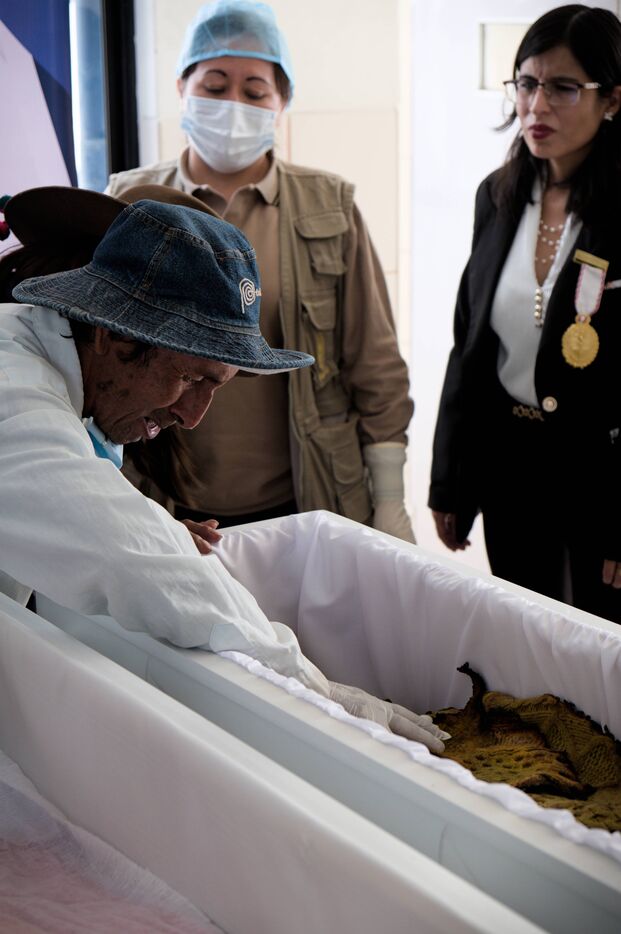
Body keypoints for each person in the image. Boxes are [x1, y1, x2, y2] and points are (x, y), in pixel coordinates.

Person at [0, 192, 447, 752]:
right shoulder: (14, 398)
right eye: (190, 379)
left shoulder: (40, 362)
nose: (192, 417)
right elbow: (133, 561)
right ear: (112, 335)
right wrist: (318, 692)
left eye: (217, 386)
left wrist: (146, 527)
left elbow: (88, 516)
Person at [106, 0, 416, 542]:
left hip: (308, 501)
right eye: (214, 86)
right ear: (182, 88)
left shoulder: (329, 206)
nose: (233, 105)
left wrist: (390, 498)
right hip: (162, 506)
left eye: (254, 93)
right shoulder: (131, 201)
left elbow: (376, 366)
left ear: (281, 102)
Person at [429, 4, 621, 623]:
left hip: (600, 471)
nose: (537, 105)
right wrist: (451, 480)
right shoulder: (499, 194)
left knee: (600, 647)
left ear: (612, 99)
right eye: (527, 83)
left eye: (563, 87)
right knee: (527, 634)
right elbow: (469, 344)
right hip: (509, 461)